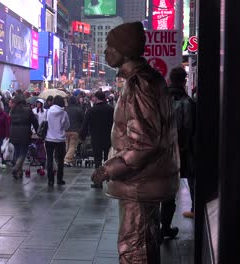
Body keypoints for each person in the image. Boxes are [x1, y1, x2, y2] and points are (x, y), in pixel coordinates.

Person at [91, 22, 179, 263]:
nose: (105, 51)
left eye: (110, 46)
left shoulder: (139, 84)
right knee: (145, 241)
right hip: (147, 179)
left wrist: (108, 169)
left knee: (134, 248)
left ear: (125, 50)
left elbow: (144, 143)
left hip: (139, 181)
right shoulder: (150, 79)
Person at [159, 67, 197, 240]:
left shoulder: (159, 100)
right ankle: (166, 226)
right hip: (182, 152)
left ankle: (159, 227)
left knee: (160, 189)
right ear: (184, 80)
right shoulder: (188, 102)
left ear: (169, 80)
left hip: (159, 152)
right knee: (183, 184)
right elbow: (191, 129)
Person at [79, 91, 114, 188]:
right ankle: (107, 178)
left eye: (94, 97)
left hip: (96, 138)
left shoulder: (92, 110)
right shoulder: (111, 109)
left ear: (97, 98)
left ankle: (98, 181)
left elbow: (85, 124)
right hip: (108, 137)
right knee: (107, 158)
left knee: (97, 159)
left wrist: (82, 136)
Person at [9, 95, 39, 179]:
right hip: (24, 133)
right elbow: (34, 122)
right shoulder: (28, 110)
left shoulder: (13, 110)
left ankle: (19, 173)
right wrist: (38, 132)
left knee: (17, 152)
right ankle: (16, 168)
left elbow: (10, 121)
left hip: (14, 133)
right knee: (23, 153)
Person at [45, 95, 70, 186]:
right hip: (60, 139)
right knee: (60, 160)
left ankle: (50, 180)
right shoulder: (64, 113)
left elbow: (45, 123)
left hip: (49, 138)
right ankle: (59, 179)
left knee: (50, 159)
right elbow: (67, 126)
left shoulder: (48, 111)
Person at [64, 96, 85, 167]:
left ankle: (68, 160)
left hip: (66, 130)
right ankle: (67, 160)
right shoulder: (79, 109)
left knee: (67, 145)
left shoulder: (65, 109)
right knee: (72, 146)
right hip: (75, 130)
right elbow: (83, 120)